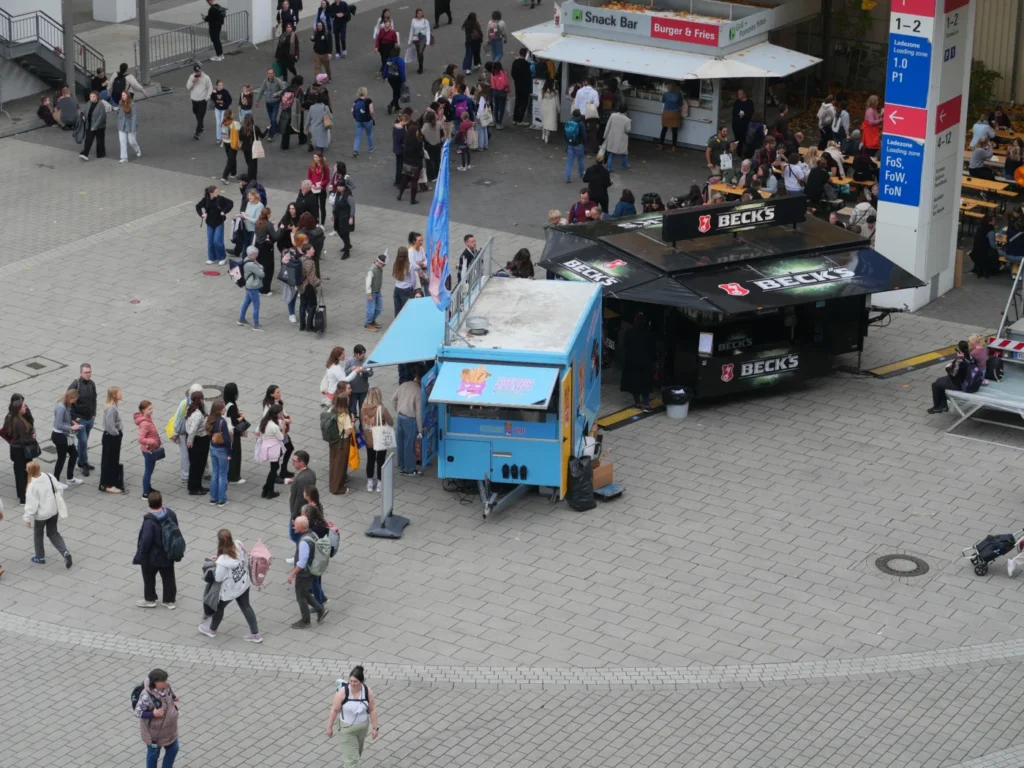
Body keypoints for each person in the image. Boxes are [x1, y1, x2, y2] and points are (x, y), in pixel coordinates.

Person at [198, 529, 261, 641]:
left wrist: (218, 563)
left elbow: (218, 577)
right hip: (243, 582)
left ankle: (212, 630)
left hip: (230, 589)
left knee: (219, 608)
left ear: (220, 542)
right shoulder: (238, 544)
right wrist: (218, 559)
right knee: (246, 607)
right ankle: (255, 634)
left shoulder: (223, 560)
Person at [326, 666, 380, 765]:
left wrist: (375, 728)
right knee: (353, 760)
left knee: (355, 756)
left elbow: (372, 710)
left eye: (355, 682)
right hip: (346, 729)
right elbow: (334, 710)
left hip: (362, 728)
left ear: (361, 681)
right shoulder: (342, 693)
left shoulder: (367, 691)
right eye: (350, 681)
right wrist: (329, 727)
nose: (352, 684)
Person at [133, 492, 179, 608]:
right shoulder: (171, 514)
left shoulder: (150, 521)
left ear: (149, 504)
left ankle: (150, 599)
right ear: (161, 502)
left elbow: (146, 540)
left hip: (152, 556)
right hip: (168, 553)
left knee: (148, 576)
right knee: (168, 576)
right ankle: (169, 601)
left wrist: (141, 553)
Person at [23, 461, 72, 567]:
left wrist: (27, 518)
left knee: (38, 534)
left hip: (41, 515)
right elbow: (59, 489)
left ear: (30, 471)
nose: (26, 470)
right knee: (53, 533)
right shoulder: (48, 476)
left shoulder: (32, 485)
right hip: (54, 510)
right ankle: (65, 552)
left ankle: (40, 557)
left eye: (27, 468)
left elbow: (31, 505)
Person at [287, 514, 328, 628]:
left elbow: (301, 562)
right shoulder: (313, 534)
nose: (294, 527)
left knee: (300, 596)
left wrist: (292, 574)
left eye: (295, 525)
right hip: (312, 569)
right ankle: (320, 609)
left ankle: (305, 621)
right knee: (304, 593)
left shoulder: (304, 542)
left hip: (304, 573)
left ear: (301, 527)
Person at [134, 668, 180, 767]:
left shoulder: (166, 687)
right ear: (155, 682)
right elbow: (137, 712)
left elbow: (169, 693)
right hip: (154, 737)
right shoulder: (146, 696)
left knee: (174, 749)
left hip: (170, 731)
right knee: (153, 755)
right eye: (164, 681)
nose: (167, 683)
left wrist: (174, 697)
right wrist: (152, 714)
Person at [4, 396, 37, 505]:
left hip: (14, 448)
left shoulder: (10, 418)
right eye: (23, 407)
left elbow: (7, 432)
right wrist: (32, 437)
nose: (25, 408)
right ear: (19, 409)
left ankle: (20, 496)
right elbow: (25, 440)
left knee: (18, 473)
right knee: (24, 473)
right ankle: (24, 498)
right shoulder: (21, 422)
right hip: (21, 451)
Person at [359, 387, 393, 493]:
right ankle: (379, 483)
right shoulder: (381, 408)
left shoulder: (363, 407)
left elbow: (363, 423)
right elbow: (391, 422)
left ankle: (369, 483)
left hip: (369, 438)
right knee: (380, 461)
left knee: (370, 460)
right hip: (380, 438)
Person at [621, 313, 656, 411]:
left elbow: (625, 347)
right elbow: (652, 350)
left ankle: (637, 403)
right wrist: (654, 362)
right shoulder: (648, 334)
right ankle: (646, 405)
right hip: (645, 363)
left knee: (634, 383)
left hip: (631, 362)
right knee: (645, 384)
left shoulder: (629, 332)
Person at [928, 341, 972, 414]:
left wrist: (949, 366)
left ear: (959, 350)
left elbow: (953, 373)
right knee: (939, 381)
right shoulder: (970, 357)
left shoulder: (960, 361)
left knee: (935, 385)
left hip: (958, 384)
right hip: (965, 381)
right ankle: (942, 405)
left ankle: (938, 406)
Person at [392, 366, 422, 475]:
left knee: (400, 442)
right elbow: (418, 413)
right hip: (410, 419)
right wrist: (420, 430)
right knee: (409, 445)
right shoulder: (418, 392)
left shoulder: (403, 385)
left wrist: (398, 409)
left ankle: (401, 466)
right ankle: (409, 469)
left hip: (400, 417)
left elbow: (393, 399)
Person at [52, 389, 83, 487]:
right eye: (75, 400)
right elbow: (58, 425)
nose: (75, 402)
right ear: (71, 398)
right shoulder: (61, 407)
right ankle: (55, 481)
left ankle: (70, 478)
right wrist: (72, 427)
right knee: (61, 459)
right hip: (60, 436)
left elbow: (66, 420)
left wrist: (72, 422)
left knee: (74, 454)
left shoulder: (67, 405)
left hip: (65, 435)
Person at [196, 185, 233, 266]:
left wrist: (224, 211)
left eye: (217, 191)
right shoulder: (206, 200)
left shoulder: (220, 199)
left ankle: (222, 257)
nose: (217, 193)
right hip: (209, 222)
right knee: (210, 242)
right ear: (211, 193)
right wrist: (201, 214)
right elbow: (198, 206)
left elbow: (230, 203)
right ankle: (212, 258)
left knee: (217, 241)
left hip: (219, 222)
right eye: (216, 192)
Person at [98, 386, 125, 494]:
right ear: (114, 395)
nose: (121, 394)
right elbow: (110, 425)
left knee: (109, 460)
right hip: (111, 437)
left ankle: (107, 482)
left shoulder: (112, 405)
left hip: (110, 436)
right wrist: (117, 434)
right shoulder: (111, 408)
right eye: (119, 393)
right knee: (110, 461)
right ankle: (109, 484)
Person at [326, 391, 353, 494]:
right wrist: (352, 424)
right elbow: (348, 431)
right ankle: (337, 488)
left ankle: (332, 482)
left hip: (333, 439)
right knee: (340, 464)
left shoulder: (331, 409)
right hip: (342, 441)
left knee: (333, 462)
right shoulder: (344, 415)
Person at [135, 400, 162, 499]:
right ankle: (145, 493)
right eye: (149, 409)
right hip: (149, 450)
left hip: (151, 449)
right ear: (143, 410)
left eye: (152, 408)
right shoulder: (145, 423)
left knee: (149, 470)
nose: (152, 410)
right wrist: (152, 441)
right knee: (148, 471)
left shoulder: (148, 418)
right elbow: (140, 438)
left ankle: (148, 488)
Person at [184, 391, 210, 496]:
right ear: (200, 401)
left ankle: (197, 485)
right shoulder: (198, 414)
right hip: (199, 440)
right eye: (202, 399)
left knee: (196, 465)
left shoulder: (191, 409)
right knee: (198, 465)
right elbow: (193, 429)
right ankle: (194, 488)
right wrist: (190, 440)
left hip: (196, 440)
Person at [297, 237, 321, 331]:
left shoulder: (300, 259)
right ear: (307, 251)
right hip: (308, 286)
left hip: (301, 286)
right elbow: (311, 277)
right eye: (312, 249)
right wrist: (318, 283)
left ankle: (302, 325)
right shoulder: (310, 262)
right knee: (313, 305)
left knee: (302, 305)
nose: (314, 250)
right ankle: (309, 325)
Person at [255, 69, 285, 143]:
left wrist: (277, 94)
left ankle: (271, 135)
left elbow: (284, 89)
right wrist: (257, 100)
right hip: (268, 103)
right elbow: (261, 90)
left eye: (271, 73)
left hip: (275, 103)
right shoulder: (266, 81)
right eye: (269, 73)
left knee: (273, 119)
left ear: (274, 74)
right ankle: (276, 129)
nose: (270, 75)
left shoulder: (278, 81)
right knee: (272, 119)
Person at [397, 123, 423, 203]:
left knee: (405, 179)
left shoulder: (407, 140)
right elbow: (420, 154)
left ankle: (400, 195)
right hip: (415, 163)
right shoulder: (418, 142)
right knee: (414, 181)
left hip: (407, 162)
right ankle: (412, 199)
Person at [186, 63, 213, 140]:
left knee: (200, 116)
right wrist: (193, 81)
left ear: (201, 70)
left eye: (199, 71)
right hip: (194, 100)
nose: (198, 73)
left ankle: (197, 132)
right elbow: (188, 87)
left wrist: (207, 98)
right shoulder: (192, 77)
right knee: (196, 114)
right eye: (196, 72)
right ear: (194, 71)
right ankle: (201, 127)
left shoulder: (206, 78)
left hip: (202, 100)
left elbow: (210, 88)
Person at [362, 252, 388, 330]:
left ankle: (372, 321)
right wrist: (369, 293)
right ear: (379, 262)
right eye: (383, 264)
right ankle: (368, 323)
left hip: (377, 291)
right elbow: (368, 282)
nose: (383, 266)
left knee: (379, 308)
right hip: (372, 292)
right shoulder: (372, 270)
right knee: (371, 309)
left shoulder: (379, 269)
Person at [79, 91, 107, 161]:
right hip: (89, 124)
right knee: (88, 139)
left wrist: (94, 126)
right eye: (91, 97)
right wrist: (83, 116)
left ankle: (101, 153)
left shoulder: (101, 105)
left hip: (99, 127)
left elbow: (101, 117)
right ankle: (85, 153)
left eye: (93, 97)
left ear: (97, 97)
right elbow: (84, 111)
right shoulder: (88, 103)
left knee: (100, 140)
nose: (91, 98)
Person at [346, 346, 373, 419]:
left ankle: (362, 426)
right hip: (353, 390)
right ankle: (352, 426)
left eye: (364, 353)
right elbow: (345, 373)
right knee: (352, 409)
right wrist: (352, 369)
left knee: (363, 409)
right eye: (361, 354)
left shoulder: (367, 361)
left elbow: (371, 373)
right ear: (356, 354)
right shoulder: (350, 361)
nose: (363, 356)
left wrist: (363, 371)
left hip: (363, 390)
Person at [970, 213, 1000, 277]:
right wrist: (998, 247)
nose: (995, 221)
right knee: (999, 252)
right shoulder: (990, 231)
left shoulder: (980, 228)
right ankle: (994, 269)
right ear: (989, 222)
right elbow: (993, 245)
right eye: (993, 220)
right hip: (985, 254)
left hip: (976, 251)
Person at [603, 104, 631, 171]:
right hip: (621, 138)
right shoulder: (627, 119)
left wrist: (605, 135)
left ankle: (609, 168)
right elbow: (628, 130)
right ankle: (625, 165)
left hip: (612, 137)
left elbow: (608, 126)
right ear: (625, 111)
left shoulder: (613, 115)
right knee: (623, 153)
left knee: (611, 153)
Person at [116, 92, 141, 164]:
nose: (123, 96)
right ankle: (124, 158)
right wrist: (119, 118)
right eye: (122, 95)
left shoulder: (132, 104)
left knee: (131, 141)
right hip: (122, 125)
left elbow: (134, 116)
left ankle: (137, 149)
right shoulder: (120, 102)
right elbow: (119, 111)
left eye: (124, 95)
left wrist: (133, 128)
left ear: (128, 96)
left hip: (130, 125)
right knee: (122, 141)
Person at [510, 49, 533, 126]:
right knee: (524, 102)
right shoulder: (527, 64)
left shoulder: (515, 62)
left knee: (517, 101)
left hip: (517, 85)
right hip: (525, 86)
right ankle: (520, 119)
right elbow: (529, 76)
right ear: (526, 54)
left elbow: (512, 74)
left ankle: (515, 119)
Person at [305, 91, 333, 155]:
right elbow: (331, 117)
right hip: (322, 128)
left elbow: (308, 120)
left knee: (317, 145)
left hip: (314, 128)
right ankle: (319, 160)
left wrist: (306, 129)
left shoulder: (312, 107)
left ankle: (318, 159)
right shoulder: (325, 107)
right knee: (320, 146)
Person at [351, 86, 375, 157]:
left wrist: (355, 118)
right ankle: (371, 148)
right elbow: (372, 111)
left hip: (358, 121)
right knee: (369, 134)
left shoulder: (356, 101)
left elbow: (352, 111)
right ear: (365, 92)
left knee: (358, 136)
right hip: (367, 120)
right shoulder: (369, 101)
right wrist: (371, 117)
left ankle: (355, 150)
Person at [332, 181, 354, 258]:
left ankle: (347, 251)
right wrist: (333, 214)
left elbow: (352, 207)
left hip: (345, 217)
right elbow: (335, 204)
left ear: (345, 187)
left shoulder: (348, 196)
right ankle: (347, 244)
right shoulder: (338, 194)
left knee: (345, 233)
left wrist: (351, 217)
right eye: (338, 186)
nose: (339, 188)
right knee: (338, 230)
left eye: (341, 186)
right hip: (338, 216)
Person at [239, 115, 265, 181]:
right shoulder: (255, 128)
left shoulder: (242, 128)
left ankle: (250, 176)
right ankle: (253, 177)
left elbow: (240, 138)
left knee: (248, 163)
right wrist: (267, 129)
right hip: (253, 148)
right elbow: (262, 136)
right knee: (254, 164)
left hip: (245, 148)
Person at [392, 246, 416, 315]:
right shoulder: (409, 266)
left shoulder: (396, 263)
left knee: (397, 310)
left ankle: (397, 324)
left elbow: (395, 275)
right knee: (407, 310)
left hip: (397, 288)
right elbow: (413, 280)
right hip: (406, 289)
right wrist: (412, 288)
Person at [407, 9, 431, 75]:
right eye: (418, 13)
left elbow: (428, 30)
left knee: (420, 51)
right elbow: (411, 30)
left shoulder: (425, 21)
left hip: (423, 37)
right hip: (416, 37)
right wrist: (409, 41)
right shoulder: (413, 20)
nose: (420, 14)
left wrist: (428, 41)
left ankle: (421, 67)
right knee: (418, 53)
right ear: (416, 14)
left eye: (421, 13)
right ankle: (420, 64)